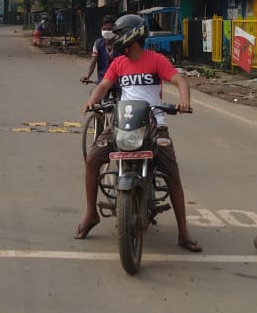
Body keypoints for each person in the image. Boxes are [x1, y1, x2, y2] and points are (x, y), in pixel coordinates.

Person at [78, 13, 201, 252]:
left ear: (131, 36)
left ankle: (184, 233)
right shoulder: (118, 64)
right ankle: (91, 213)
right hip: (124, 124)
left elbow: (180, 81)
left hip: (155, 125)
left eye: (119, 34)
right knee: (93, 158)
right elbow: (103, 86)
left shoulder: (156, 60)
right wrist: (92, 101)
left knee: (172, 175)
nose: (114, 38)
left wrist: (184, 101)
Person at [80, 15, 116, 85]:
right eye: (104, 29)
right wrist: (88, 76)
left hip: (119, 80)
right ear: (101, 29)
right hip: (103, 79)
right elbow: (93, 62)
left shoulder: (120, 43)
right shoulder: (97, 44)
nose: (106, 31)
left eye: (109, 29)